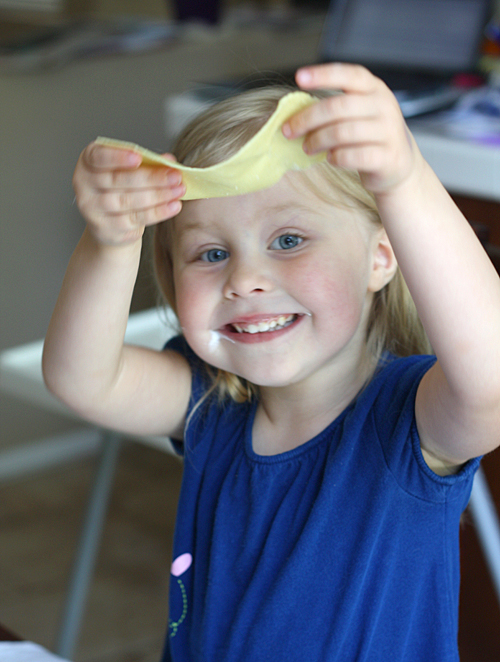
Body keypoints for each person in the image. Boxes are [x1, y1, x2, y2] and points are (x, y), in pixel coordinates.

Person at [42, 63, 500, 661]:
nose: (245, 280)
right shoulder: (212, 401)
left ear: (381, 258)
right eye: (210, 252)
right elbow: (81, 380)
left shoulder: (408, 427)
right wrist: (109, 243)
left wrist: (404, 180)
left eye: (288, 240)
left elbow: (489, 385)